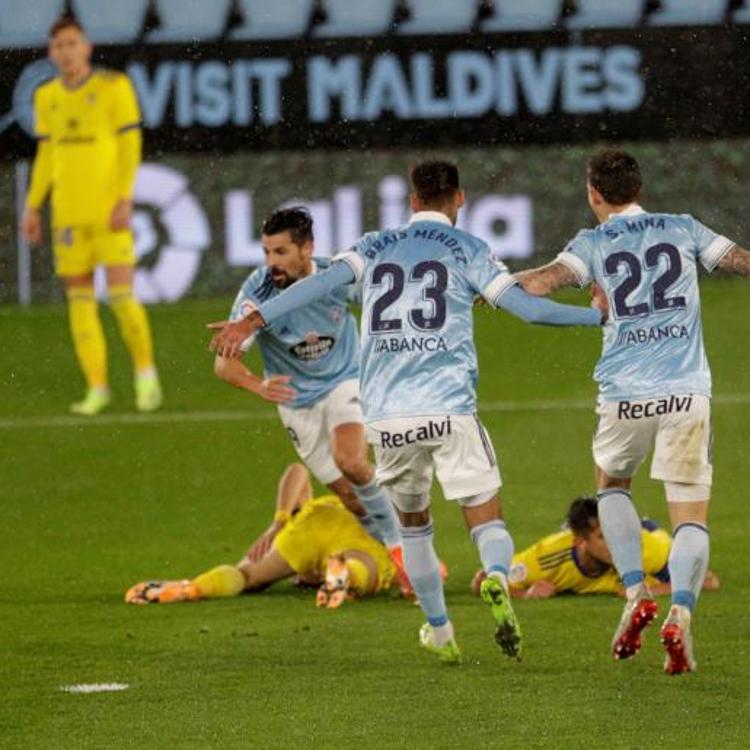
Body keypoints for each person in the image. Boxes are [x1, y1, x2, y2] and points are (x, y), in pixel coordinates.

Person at [209, 161, 605, 664]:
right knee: (486, 518)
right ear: (458, 199)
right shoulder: (469, 250)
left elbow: (317, 283)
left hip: (389, 418)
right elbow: (528, 309)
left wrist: (254, 320)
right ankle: (498, 578)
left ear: (413, 201)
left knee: (414, 527)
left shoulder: (374, 245)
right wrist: (596, 316)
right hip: (449, 408)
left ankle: (439, 630)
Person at [515, 147, 750, 674]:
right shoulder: (683, 227)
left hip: (624, 393)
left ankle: (633, 592)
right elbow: (741, 263)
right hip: (685, 391)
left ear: (594, 193)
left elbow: (545, 280)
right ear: (640, 188)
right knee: (689, 514)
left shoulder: (593, 242)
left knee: (612, 487)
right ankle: (681, 614)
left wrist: (498, 286)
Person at [212, 207, 410, 589]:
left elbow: (387, 303)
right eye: (267, 252)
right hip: (296, 401)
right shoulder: (256, 294)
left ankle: (412, 556)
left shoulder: (336, 276)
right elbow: (224, 367)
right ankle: (395, 548)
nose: (272, 262)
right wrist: (257, 385)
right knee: (353, 499)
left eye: (281, 252)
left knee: (351, 459)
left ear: (307, 249)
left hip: (346, 380)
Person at [21, 16, 161, 416]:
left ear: (86, 47)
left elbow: (130, 146)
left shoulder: (113, 87)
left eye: (72, 44)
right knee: (80, 304)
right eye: (59, 46)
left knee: (120, 297)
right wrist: (33, 204)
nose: (66, 52)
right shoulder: (46, 96)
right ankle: (97, 388)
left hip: (108, 214)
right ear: (51, 53)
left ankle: (145, 374)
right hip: (67, 216)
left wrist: (124, 198)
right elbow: (47, 154)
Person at [126, 463, 396, 608]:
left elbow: (298, 470)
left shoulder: (311, 508)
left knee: (246, 577)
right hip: (360, 533)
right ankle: (345, 575)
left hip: (306, 528)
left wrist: (279, 522)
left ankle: (196, 586)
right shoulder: (366, 505)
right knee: (368, 568)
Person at [470, 497, 720, 599]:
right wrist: (524, 594)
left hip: (647, 530)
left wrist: (650, 590)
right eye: (603, 536)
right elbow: (482, 581)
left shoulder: (644, 548)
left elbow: (708, 581)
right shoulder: (547, 557)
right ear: (579, 540)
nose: (615, 543)